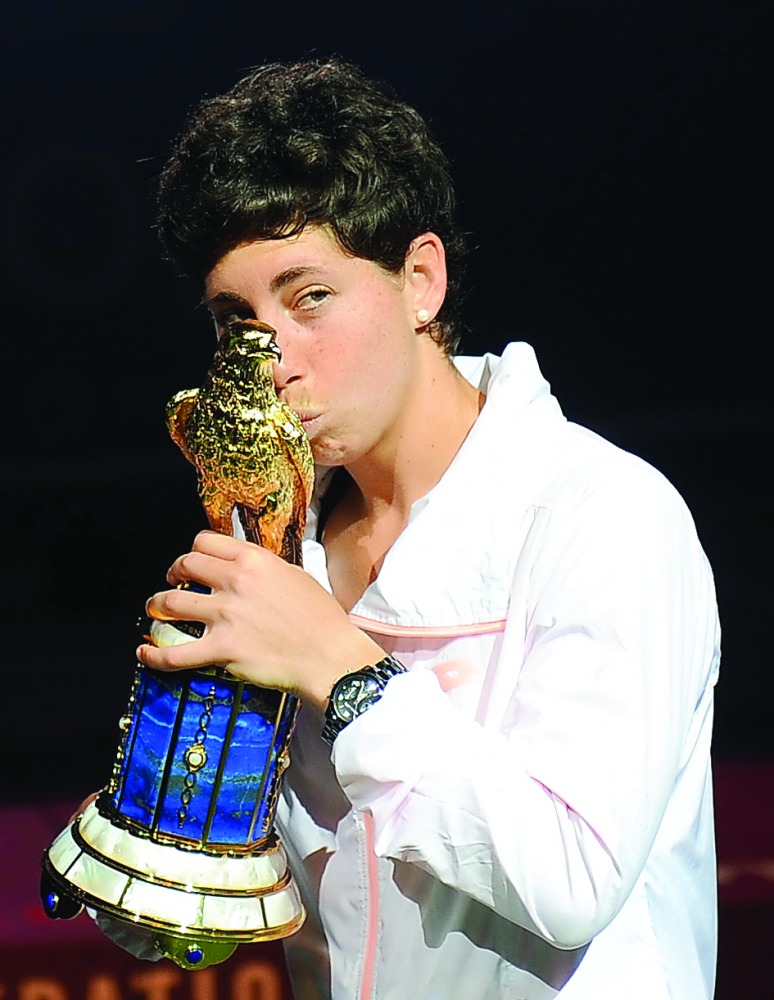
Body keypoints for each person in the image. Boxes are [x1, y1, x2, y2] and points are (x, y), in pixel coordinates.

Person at [139, 59, 720, 999]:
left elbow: (573, 878)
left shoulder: (604, 513)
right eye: (237, 320)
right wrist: (161, 832)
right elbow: (308, 904)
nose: (272, 360)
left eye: (309, 297)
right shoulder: (283, 543)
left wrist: (344, 672)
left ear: (421, 279)